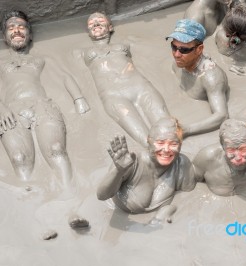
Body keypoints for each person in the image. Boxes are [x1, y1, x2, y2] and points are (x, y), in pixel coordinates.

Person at [0, 10, 90, 184]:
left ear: (30, 34)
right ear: (5, 37)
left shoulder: (41, 58)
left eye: (21, 26)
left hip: (42, 105)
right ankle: (29, 197)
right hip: (11, 110)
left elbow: (63, 75)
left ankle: (68, 193)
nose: (17, 30)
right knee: (19, 158)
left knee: (56, 150)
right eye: (11, 27)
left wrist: (79, 98)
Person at [76, 12, 170, 147]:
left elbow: (155, 49)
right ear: (88, 32)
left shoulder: (126, 44)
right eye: (91, 23)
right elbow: (69, 75)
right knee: (145, 141)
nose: (96, 24)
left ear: (110, 27)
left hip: (141, 87)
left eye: (100, 21)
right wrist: (78, 98)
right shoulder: (81, 52)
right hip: (114, 95)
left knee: (167, 129)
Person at [97, 117, 197, 223]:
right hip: (124, 220)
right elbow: (102, 195)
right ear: (149, 141)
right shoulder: (130, 161)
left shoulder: (182, 164)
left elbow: (189, 197)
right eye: (160, 143)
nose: (167, 149)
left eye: (173, 144)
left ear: (180, 146)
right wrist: (118, 171)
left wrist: (170, 209)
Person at [167, 19, 229, 137]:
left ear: (199, 49)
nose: (176, 54)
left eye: (184, 50)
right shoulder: (178, 63)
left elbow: (222, 116)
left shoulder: (211, 77)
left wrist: (187, 130)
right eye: (173, 47)